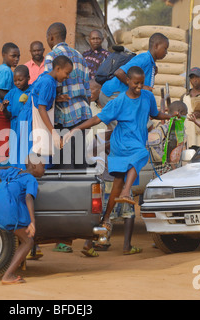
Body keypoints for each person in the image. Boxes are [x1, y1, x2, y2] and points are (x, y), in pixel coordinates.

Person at [63, 66, 177, 255]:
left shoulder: (147, 98)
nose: (139, 87)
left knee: (118, 180)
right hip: (121, 143)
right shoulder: (119, 101)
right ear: (128, 82)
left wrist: (169, 116)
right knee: (141, 154)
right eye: (136, 83)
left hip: (136, 141)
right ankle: (126, 191)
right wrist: (76, 129)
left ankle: (106, 218)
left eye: (142, 83)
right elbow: (96, 119)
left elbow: (154, 114)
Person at [0, 153, 45, 284]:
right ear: (33, 165)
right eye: (43, 166)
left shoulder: (13, 173)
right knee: (28, 242)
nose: (45, 169)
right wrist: (32, 221)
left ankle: (9, 273)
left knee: (23, 238)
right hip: (6, 212)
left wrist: (12, 167)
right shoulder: (31, 179)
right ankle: (8, 275)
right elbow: (28, 197)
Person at [44, 22, 92, 170]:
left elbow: (49, 87)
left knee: (65, 165)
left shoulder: (51, 57)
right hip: (82, 114)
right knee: (80, 162)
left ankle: (68, 193)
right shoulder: (79, 56)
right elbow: (88, 90)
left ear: (51, 38)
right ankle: (83, 192)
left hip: (63, 116)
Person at [13, 55, 73, 170]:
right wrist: (53, 133)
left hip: (26, 117)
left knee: (26, 155)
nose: (67, 76)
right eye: (67, 73)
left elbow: (37, 95)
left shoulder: (44, 76)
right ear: (58, 69)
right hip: (32, 120)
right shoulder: (48, 82)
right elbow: (41, 108)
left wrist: (56, 99)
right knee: (33, 157)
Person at [99, 33, 169, 108]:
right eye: (165, 48)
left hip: (119, 96)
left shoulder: (151, 64)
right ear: (156, 46)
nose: (166, 52)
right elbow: (119, 73)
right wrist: (142, 87)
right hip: (112, 94)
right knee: (128, 118)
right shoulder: (144, 59)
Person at [0, 65, 32, 166]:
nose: (17, 83)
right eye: (15, 80)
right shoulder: (12, 93)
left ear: (28, 78)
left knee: (29, 150)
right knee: (16, 152)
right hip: (15, 127)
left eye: (20, 80)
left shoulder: (33, 90)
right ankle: (17, 172)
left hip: (30, 127)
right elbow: (8, 115)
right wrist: (4, 108)